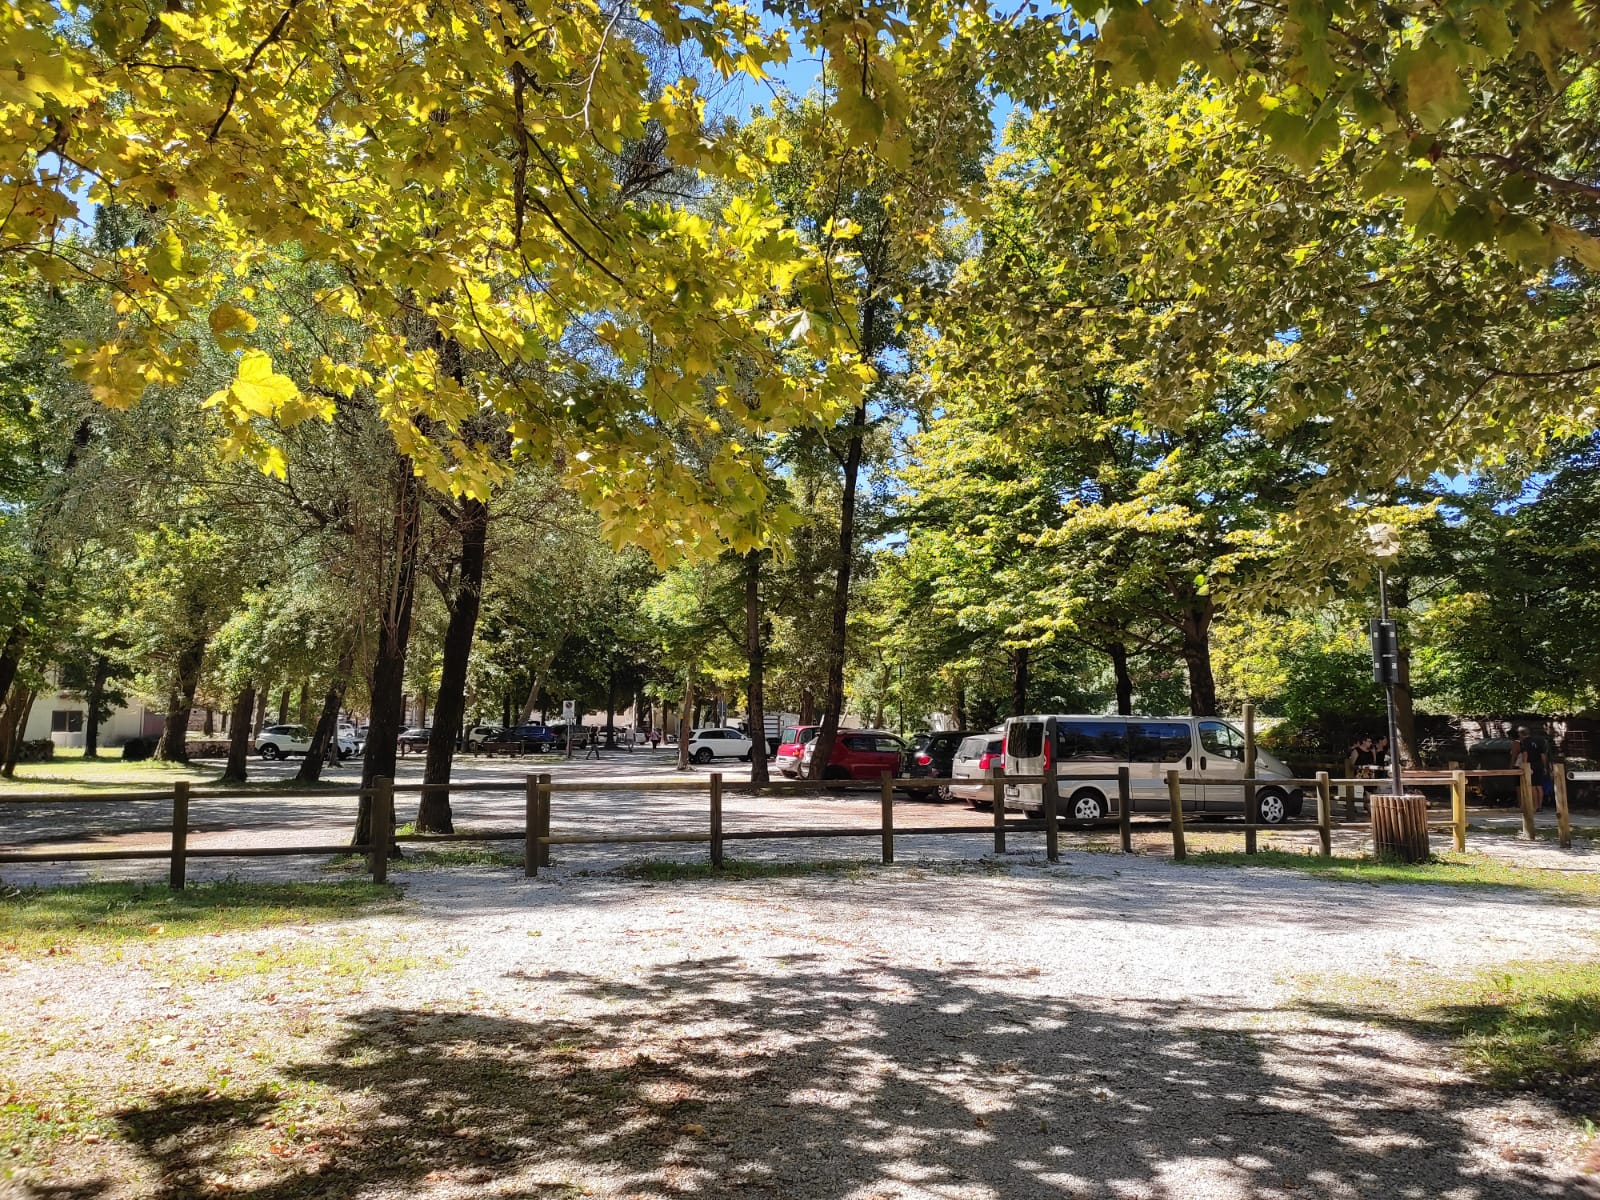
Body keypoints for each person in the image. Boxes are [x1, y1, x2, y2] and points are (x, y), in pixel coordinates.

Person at [1513, 726, 1552, 809]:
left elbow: (1525, 754)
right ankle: (1540, 805)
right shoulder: (1539, 741)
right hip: (1539, 765)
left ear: (1520, 734)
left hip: (1530, 766)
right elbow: (1543, 755)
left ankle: (1534, 806)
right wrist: (1544, 767)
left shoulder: (1524, 742)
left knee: (1533, 786)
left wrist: (1524, 766)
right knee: (1539, 786)